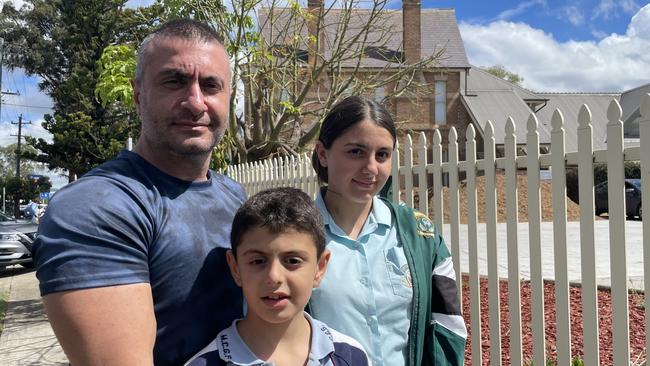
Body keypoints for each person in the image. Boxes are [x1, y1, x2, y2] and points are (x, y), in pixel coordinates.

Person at [32, 19, 246, 366]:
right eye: (174, 82)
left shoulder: (234, 195)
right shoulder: (95, 207)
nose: (195, 102)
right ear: (137, 95)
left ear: (228, 98)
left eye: (211, 86)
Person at [309, 96, 467, 366]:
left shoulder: (421, 236)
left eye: (382, 154)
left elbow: (447, 325)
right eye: (356, 152)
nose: (371, 168)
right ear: (323, 153)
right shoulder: (293, 235)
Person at [185, 187, 371, 366]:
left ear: (320, 268)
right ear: (235, 268)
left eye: (292, 261)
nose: (274, 277)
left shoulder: (351, 356)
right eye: (258, 261)